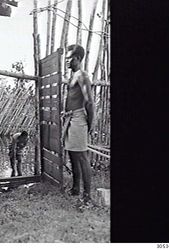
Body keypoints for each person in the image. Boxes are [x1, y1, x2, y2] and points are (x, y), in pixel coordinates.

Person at [62, 44, 95, 204]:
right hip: (69, 118)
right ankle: (75, 189)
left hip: (78, 118)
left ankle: (87, 196)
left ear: (78, 59)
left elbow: (89, 102)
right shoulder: (73, 75)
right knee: (72, 154)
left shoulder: (82, 76)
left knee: (81, 156)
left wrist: (90, 123)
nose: (67, 61)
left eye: (70, 58)